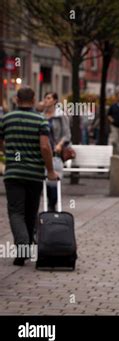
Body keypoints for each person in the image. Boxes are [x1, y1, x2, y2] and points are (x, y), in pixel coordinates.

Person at [0, 87, 58, 265]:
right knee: (31, 211)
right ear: (33, 100)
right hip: (34, 173)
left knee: (16, 211)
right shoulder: (40, 120)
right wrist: (50, 170)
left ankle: (22, 248)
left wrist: (8, 153)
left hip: (13, 173)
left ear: (16, 99)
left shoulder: (6, 119)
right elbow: (45, 147)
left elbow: (1, 142)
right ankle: (26, 244)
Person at [42, 92, 71, 211]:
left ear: (55, 101)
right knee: (45, 179)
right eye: (45, 98)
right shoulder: (41, 116)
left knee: (54, 179)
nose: (46, 100)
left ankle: (52, 205)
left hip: (56, 152)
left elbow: (67, 134)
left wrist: (60, 144)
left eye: (49, 98)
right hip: (43, 152)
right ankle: (49, 203)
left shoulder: (61, 116)